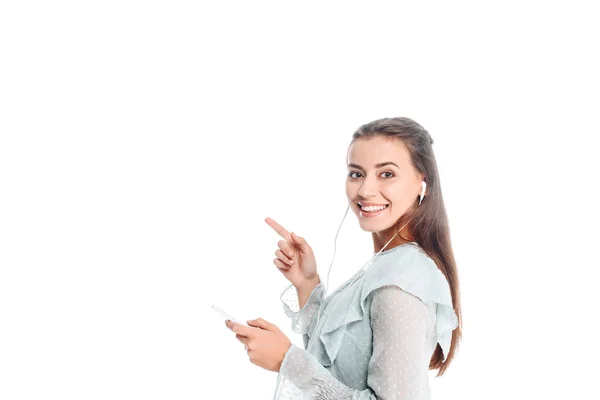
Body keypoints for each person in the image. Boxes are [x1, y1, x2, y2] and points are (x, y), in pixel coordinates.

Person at [225, 117, 462, 399]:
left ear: (422, 181)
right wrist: (307, 283)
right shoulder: (388, 264)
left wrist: (287, 361)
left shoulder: (401, 281)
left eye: (387, 174)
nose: (365, 190)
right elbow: (333, 362)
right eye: (356, 174)